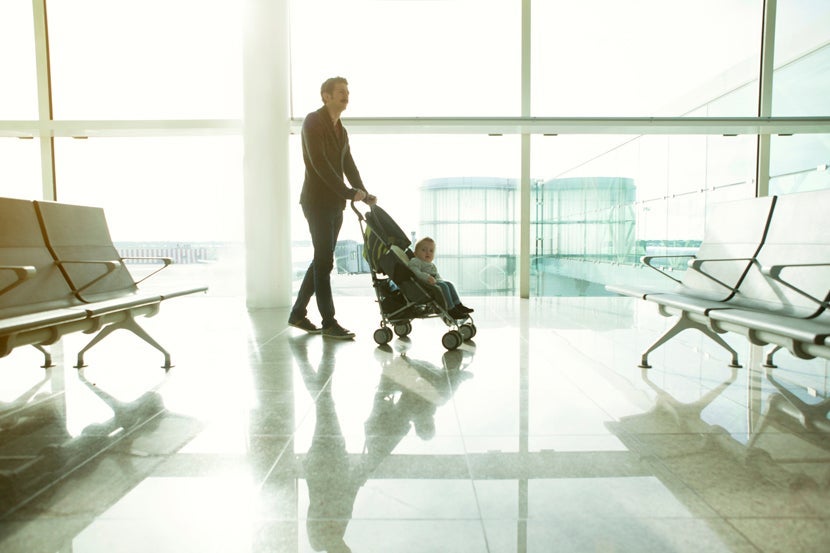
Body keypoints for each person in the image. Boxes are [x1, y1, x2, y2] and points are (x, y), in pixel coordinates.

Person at [288, 76, 376, 339]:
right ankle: (329, 322)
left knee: (321, 259)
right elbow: (319, 164)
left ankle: (297, 314)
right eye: (340, 91)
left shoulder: (342, 130)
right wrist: (349, 192)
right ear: (325, 95)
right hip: (316, 202)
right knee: (325, 261)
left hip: (335, 204)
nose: (345, 95)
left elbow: (348, 164)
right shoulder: (313, 121)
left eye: (347, 91)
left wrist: (363, 192)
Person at [407, 236, 473, 319]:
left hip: (434, 283)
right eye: (424, 250)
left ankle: (458, 305)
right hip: (425, 285)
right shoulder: (415, 261)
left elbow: (436, 275)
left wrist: (439, 280)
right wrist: (427, 277)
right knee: (443, 286)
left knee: (449, 284)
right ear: (415, 253)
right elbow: (415, 272)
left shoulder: (431, 265)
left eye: (431, 251)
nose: (427, 253)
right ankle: (450, 309)